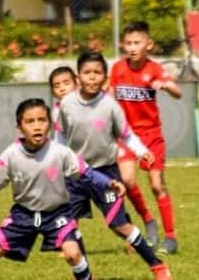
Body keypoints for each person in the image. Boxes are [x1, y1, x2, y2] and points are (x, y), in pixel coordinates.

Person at [0, 98, 125, 280]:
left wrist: (108, 183)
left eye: (42, 120)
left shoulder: (60, 152)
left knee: (73, 254)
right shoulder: (11, 155)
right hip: (23, 216)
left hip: (57, 214)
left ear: (49, 124)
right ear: (19, 127)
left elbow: (87, 173)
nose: (37, 126)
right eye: (30, 121)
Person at [59, 51, 173, 280]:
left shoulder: (110, 106)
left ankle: (157, 265)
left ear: (104, 77)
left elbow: (127, 135)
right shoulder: (67, 104)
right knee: (69, 227)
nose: (92, 77)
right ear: (78, 76)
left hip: (106, 174)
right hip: (75, 176)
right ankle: (84, 275)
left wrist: (142, 151)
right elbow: (60, 137)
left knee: (119, 225)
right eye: (87, 73)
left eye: (97, 73)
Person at [109, 21, 181, 254]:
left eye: (137, 43)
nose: (132, 47)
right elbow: (109, 95)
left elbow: (177, 92)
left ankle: (170, 237)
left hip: (151, 136)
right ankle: (148, 221)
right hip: (126, 136)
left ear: (148, 44)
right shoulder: (118, 69)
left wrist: (166, 86)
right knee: (128, 182)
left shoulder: (155, 69)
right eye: (128, 43)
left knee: (157, 185)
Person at [48, 66, 79, 143]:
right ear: (52, 92)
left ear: (76, 84)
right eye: (56, 86)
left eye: (66, 83)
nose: (62, 89)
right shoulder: (57, 111)